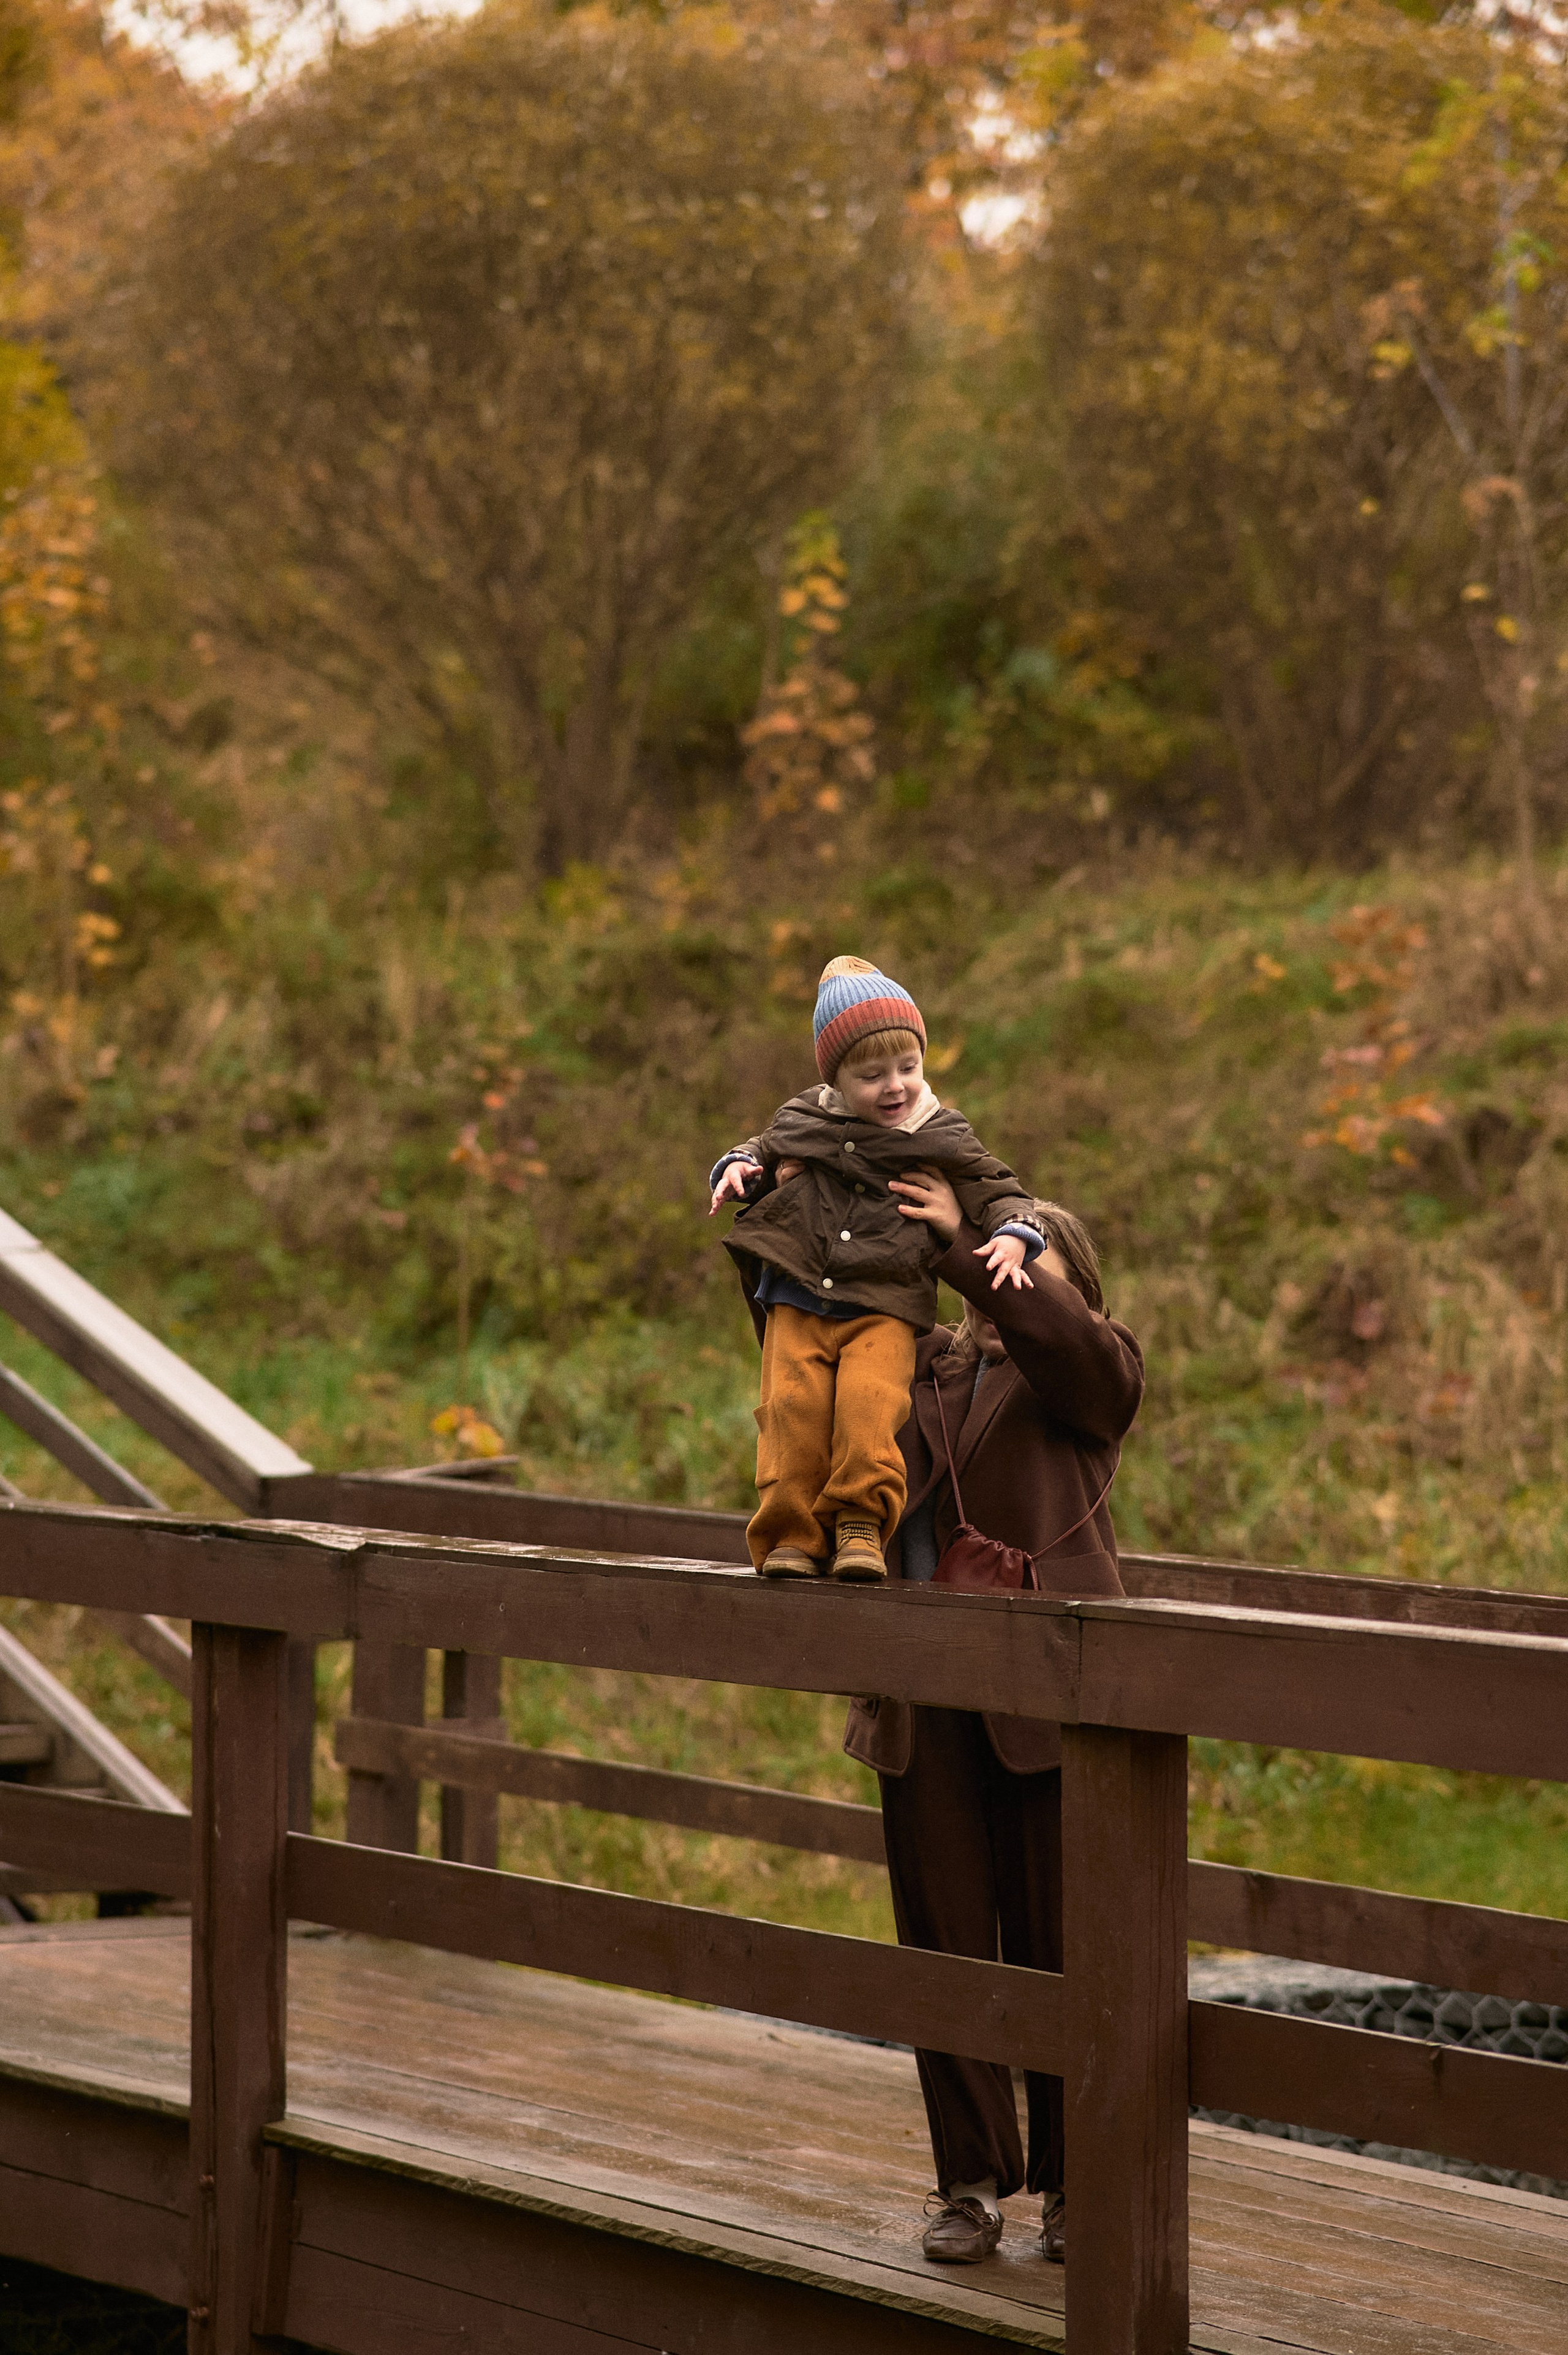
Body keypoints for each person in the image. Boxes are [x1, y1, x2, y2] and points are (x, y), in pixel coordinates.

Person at [843, 1166, 1144, 2269]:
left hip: (1051, 1705)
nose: (999, 1285)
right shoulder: (923, 1366)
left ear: (1074, 1292)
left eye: (1030, 1264)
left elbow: (1060, 1339)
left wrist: (976, 1240)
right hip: (927, 1699)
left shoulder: (1099, 1372)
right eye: (987, 1271)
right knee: (946, 1943)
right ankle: (969, 2184)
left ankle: (1075, 2184)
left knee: (1066, 1950)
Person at [708, 955, 1046, 1581]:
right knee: (789, 1410)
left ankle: (860, 1525)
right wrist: (738, 1168)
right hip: (797, 1295)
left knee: (869, 1408)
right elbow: (764, 1148)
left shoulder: (939, 1133)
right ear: (835, 1078)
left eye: (908, 1067)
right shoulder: (804, 1116)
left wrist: (1012, 1231)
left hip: (885, 1302)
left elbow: (996, 1184)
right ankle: (791, 1536)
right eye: (873, 1074)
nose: (896, 1085)